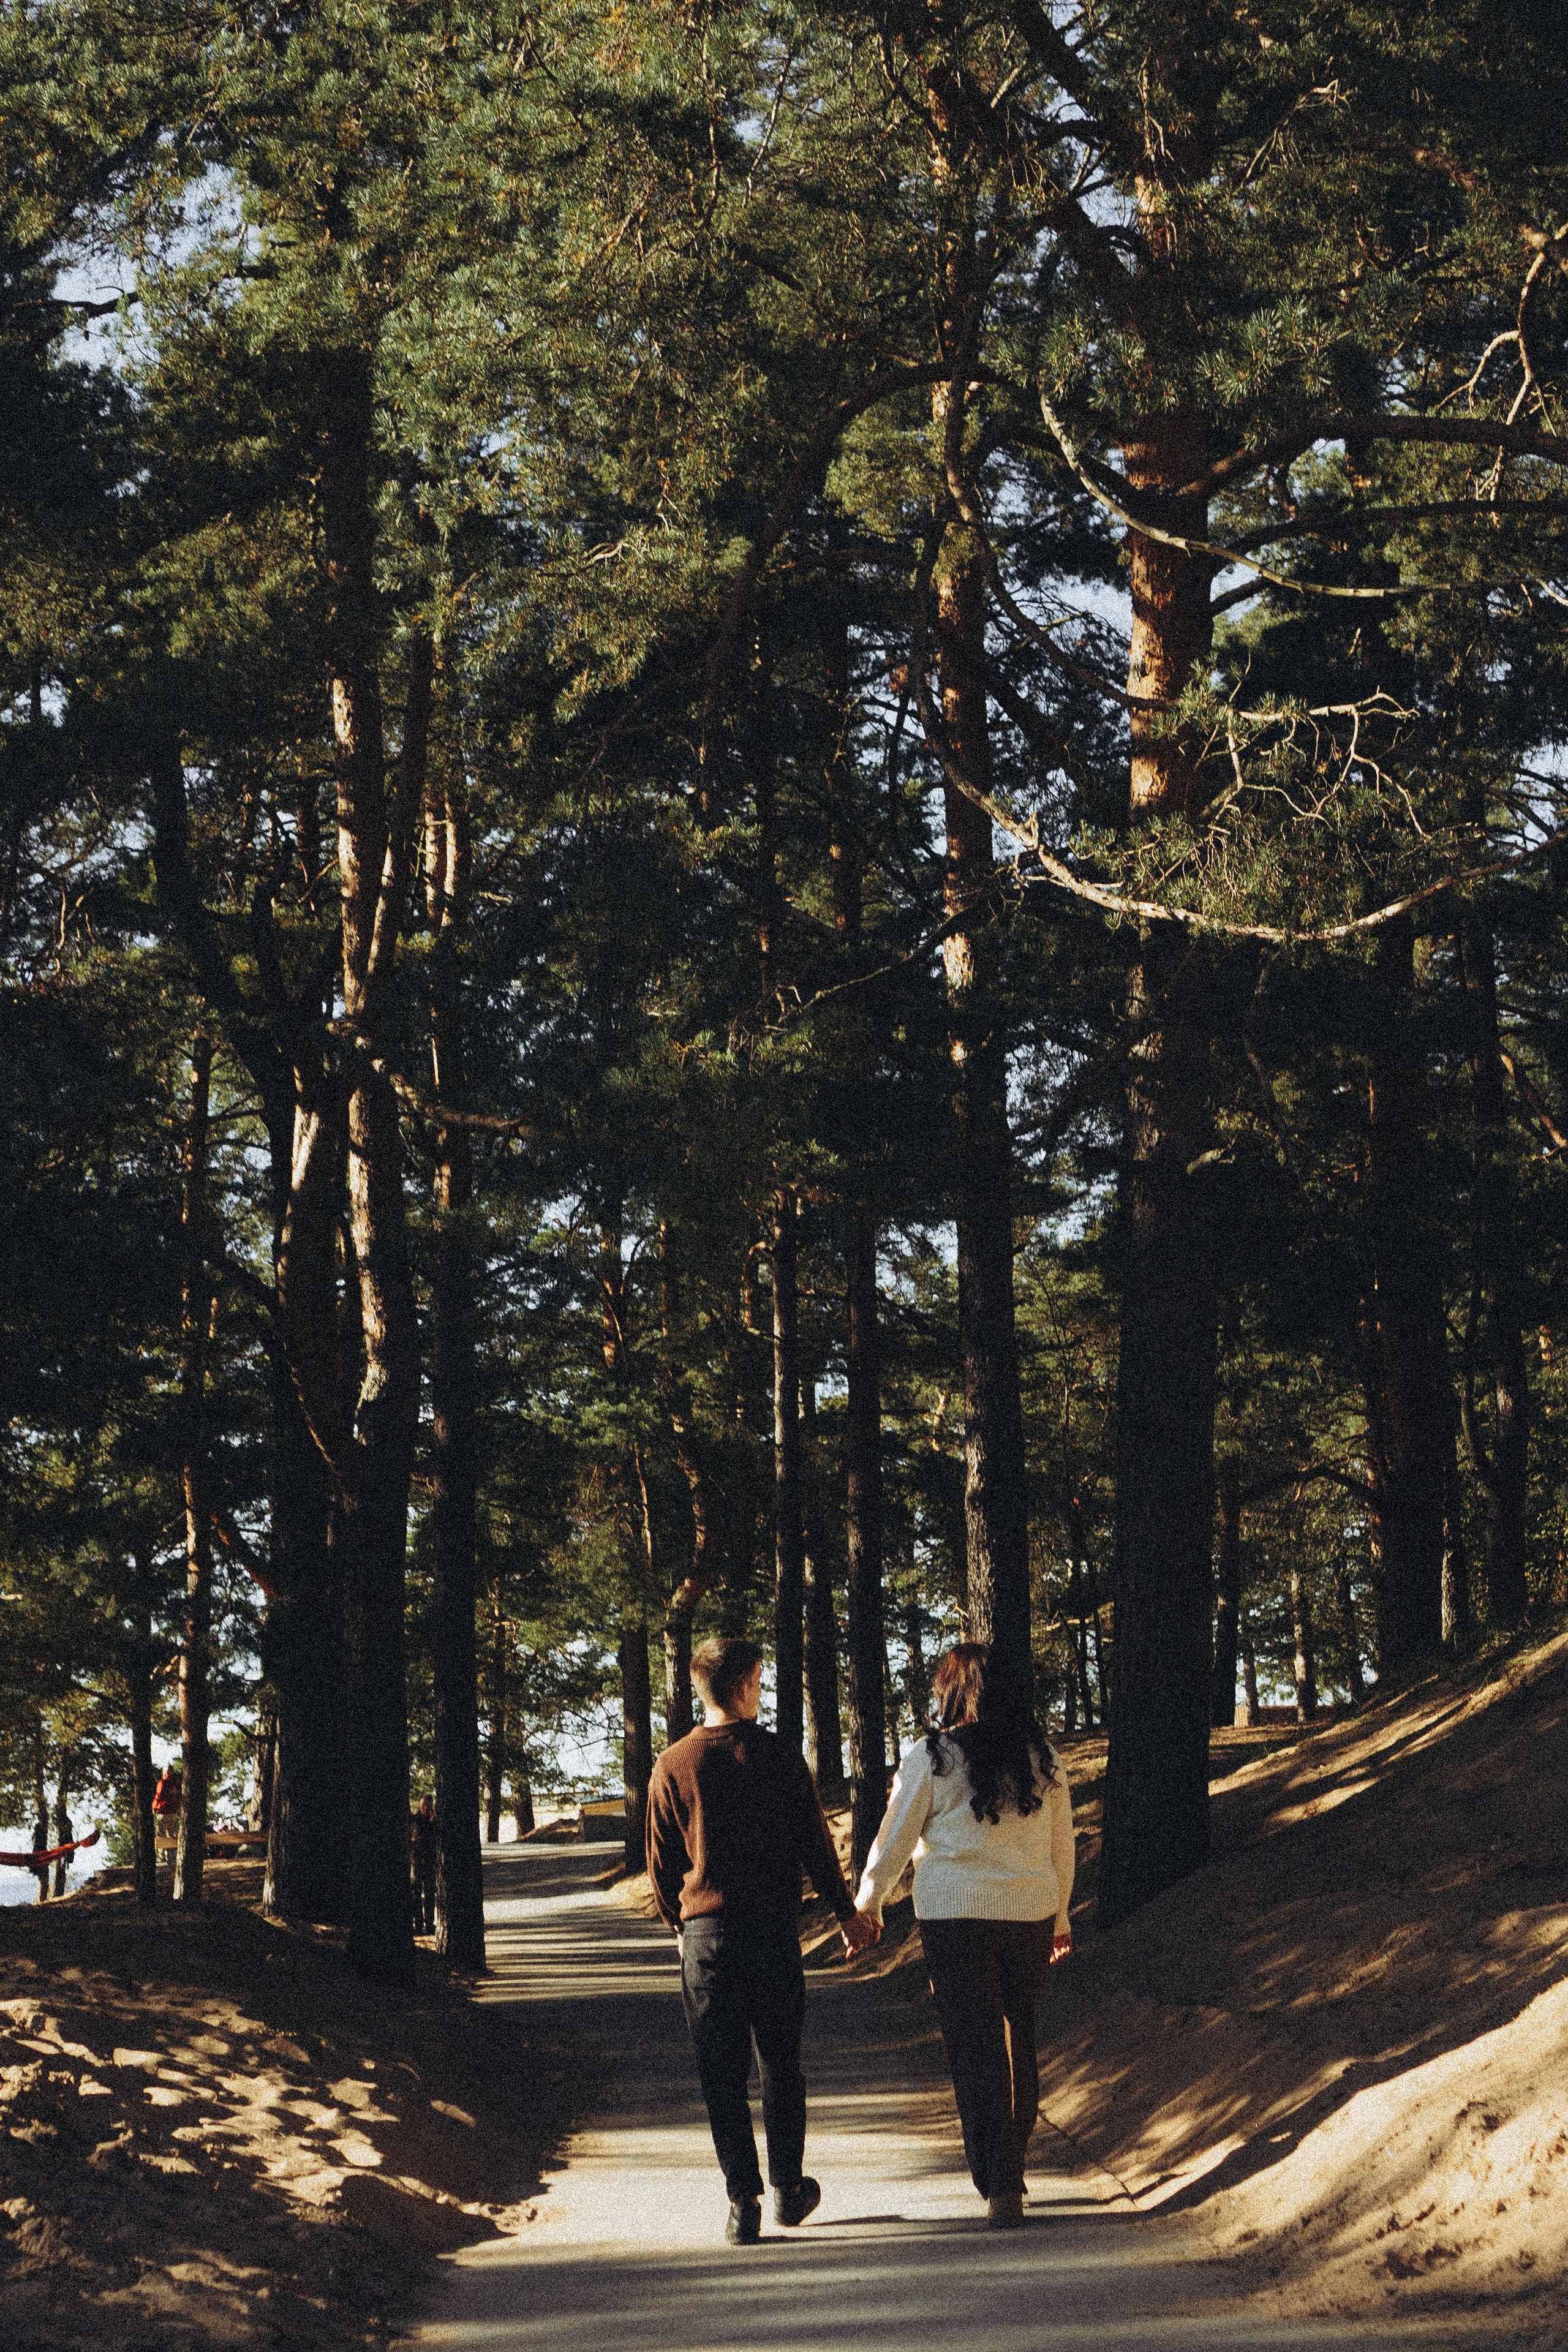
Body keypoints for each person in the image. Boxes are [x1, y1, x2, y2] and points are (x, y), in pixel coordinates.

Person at [646, 1635, 878, 2247]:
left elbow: (661, 1865)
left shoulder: (671, 1765)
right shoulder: (778, 1757)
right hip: (772, 1934)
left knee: (719, 2072)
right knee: (780, 2063)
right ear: (745, 1684)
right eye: (758, 1679)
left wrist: (683, 1926)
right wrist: (845, 1913)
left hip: (708, 1938)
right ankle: (788, 2187)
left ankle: (741, 2199)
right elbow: (815, 1844)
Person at [852, 1642, 1075, 2231]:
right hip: (1029, 1915)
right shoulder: (1044, 1758)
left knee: (974, 2047)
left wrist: (867, 1905)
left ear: (952, 1692)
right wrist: (1062, 1918)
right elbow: (1062, 1850)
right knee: (1018, 2038)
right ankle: (1011, 2167)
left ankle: (999, 2179)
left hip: (956, 1921)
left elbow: (894, 1837)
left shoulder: (933, 1757)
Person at [410, 1794, 437, 1936]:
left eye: (429, 1805)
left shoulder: (436, 1822)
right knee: (416, 1895)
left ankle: (429, 1924)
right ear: (419, 1806)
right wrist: (431, 1823)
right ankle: (418, 1924)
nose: (426, 1808)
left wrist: (433, 1823)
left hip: (430, 1864)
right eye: (423, 1805)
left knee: (430, 1896)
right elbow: (421, 1836)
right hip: (416, 1863)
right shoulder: (415, 1821)